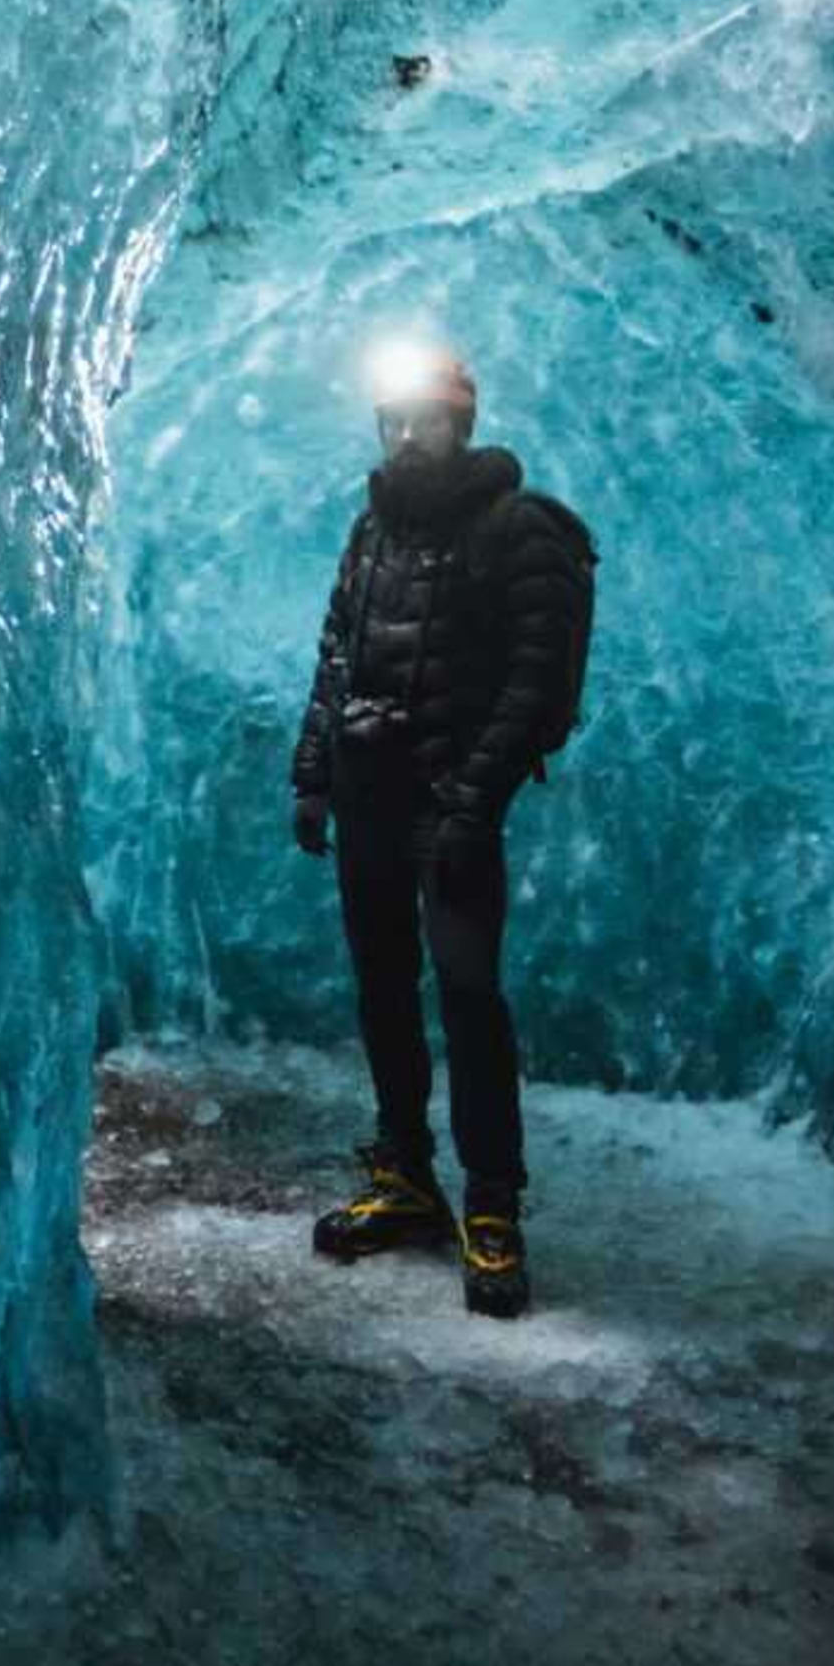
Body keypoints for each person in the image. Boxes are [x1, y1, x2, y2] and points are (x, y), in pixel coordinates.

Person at [290, 339, 580, 1318]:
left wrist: (472, 798)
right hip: (370, 795)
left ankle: (492, 1205)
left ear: (462, 422)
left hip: (448, 800)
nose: (410, 436)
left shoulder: (517, 528)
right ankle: (407, 1176)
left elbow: (537, 683)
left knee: (468, 996)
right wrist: (314, 776)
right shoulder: (372, 530)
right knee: (383, 990)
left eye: (428, 419)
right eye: (396, 420)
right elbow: (338, 653)